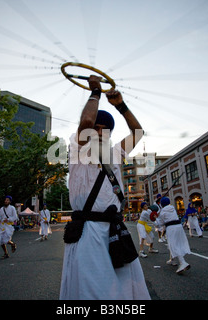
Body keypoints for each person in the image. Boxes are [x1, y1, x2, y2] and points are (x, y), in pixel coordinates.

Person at [59, 75, 150, 300]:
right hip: (87, 232)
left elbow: (138, 132)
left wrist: (120, 105)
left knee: (123, 291)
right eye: (96, 127)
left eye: (105, 129)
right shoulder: (77, 150)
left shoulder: (116, 153)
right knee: (91, 293)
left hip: (114, 230)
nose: (99, 132)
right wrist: (96, 93)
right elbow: (86, 124)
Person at [155, 197, 191, 274]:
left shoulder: (162, 212)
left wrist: (155, 218)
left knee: (174, 245)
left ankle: (183, 262)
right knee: (174, 243)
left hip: (171, 228)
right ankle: (172, 260)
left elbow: (160, 224)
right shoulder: (173, 208)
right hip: (179, 227)